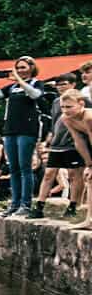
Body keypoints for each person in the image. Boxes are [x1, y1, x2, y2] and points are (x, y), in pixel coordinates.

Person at [0, 55, 50, 216]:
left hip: (27, 130)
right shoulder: (11, 88)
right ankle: (14, 204)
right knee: (14, 168)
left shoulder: (36, 83)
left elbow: (35, 95)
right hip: (10, 130)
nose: (19, 71)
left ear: (31, 68)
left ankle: (26, 204)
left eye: (23, 67)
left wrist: (19, 79)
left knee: (25, 168)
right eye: (17, 68)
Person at [32, 78, 85, 219]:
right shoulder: (56, 102)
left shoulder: (82, 99)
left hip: (73, 143)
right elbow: (53, 122)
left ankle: (73, 205)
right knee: (49, 173)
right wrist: (48, 140)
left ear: (73, 84)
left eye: (64, 84)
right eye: (58, 84)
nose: (60, 87)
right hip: (56, 143)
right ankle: (39, 206)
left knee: (74, 175)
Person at [55, 90, 92, 230]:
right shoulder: (66, 118)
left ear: (81, 103)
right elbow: (79, 141)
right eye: (63, 107)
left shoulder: (89, 117)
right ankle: (89, 220)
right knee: (89, 179)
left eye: (69, 107)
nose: (65, 110)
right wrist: (89, 164)